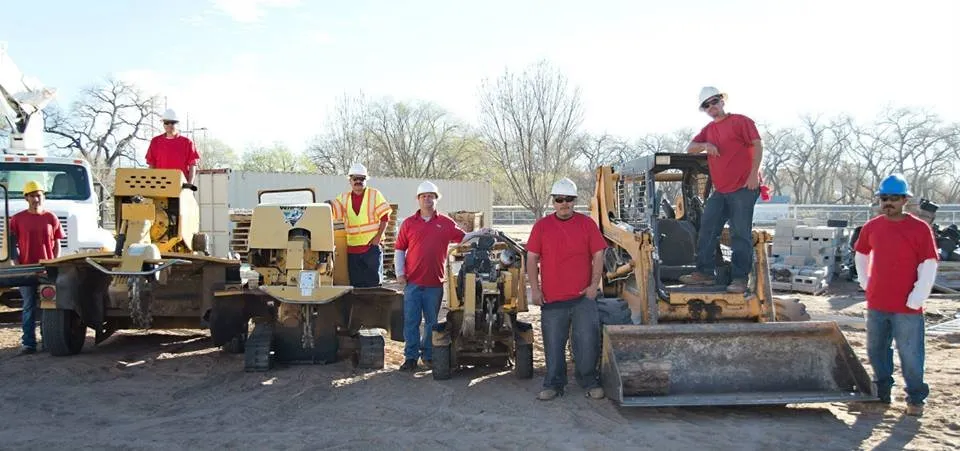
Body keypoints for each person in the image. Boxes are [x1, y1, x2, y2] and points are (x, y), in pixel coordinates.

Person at [854, 174, 938, 417]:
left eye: (893, 198)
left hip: (907, 307)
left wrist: (918, 296)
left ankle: (915, 398)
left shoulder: (919, 229)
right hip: (877, 303)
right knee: (876, 350)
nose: (887, 202)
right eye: (884, 198)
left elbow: (929, 263)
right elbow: (861, 254)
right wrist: (865, 281)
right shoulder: (872, 227)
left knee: (911, 354)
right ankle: (882, 392)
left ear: (904, 200)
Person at [393, 180, 492, 371]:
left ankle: (428, 355)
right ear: (418, 199)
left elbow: (463, 238)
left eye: (431, 196)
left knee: (432, 322)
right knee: (411, 322)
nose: (427, 199)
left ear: (436, 199)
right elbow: (399, 249)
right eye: (424, 196)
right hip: (412, 282)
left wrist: (481, 232)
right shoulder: (408, 224)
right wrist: (400, 274)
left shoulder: (445, 223)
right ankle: (411, 358)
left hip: (434, 284)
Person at [526, 177, 607, 401]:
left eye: (569, 199)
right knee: (553, 345)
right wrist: (535, 289)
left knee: (587, 343)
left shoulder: (587, 224)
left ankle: (589, 381)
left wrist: (593, 285)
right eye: (560, 199)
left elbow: (598, 254)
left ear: (574, 201)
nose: (564, 204)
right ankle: (553, 384)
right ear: (553, 201)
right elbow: (531, 258)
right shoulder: (542, 226)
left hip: (583, 299)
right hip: (552, 300)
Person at [678, 86, 763, 293]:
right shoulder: (709, 130)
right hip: (721, 191)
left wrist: (754, 174)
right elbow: (690, 148)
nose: (711, 107)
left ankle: (740, 279)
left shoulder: (741, 121)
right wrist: (706, 144)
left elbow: (758, 145)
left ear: (722, 101)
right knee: (707, 229)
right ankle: (704, 273)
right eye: (706, 105)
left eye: (714, 102)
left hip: (743, 187)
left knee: (739, 234)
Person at [9, 180, 64, 355]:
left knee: (49, 307)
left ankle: (48, 341)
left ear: (43, 196)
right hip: (26, 270)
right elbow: (12, 245)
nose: (36, 199)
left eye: (38, 195)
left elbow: (57, 243)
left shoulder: (51, 218)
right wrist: (17, 264)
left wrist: (54, 263)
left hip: (46, 270)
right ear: (26, 198)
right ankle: (28, 343)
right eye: (32, 196)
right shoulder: (17, 219)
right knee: (29, 307)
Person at [330, 163, 392, 288]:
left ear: (366, 180)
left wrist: (377, 238)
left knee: (373, 285)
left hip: (371, 248)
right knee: (356, 286)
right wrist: (325, 205)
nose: (358, 181)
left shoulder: (374, 194)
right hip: (353, 248)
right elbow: (332, 210)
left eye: (362, 179)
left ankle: (374, 308)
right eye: (355, 178)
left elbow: (385, 217)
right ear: (350, 180)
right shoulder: (343, 198)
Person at [145, 109, 201, 184]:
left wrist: (190, 184)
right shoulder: (155, 142)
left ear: (177, 124)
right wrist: (149, 183)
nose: (169, 125)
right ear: (163, 124)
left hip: (180, 186)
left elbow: (192, 165)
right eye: (166, 122)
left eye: (173, 122)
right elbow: (151, 165)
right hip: (160, 185)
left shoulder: (187, 142)